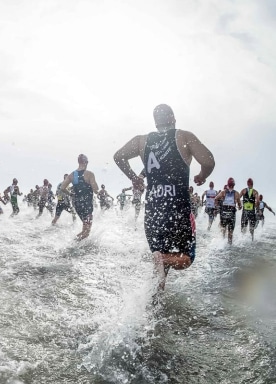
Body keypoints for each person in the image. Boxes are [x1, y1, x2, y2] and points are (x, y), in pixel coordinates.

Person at [113, 104, 215, 290]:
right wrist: (202, 176)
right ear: (173, 118)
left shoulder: (141, 141)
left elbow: (119, 156)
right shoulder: (183, 136)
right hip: (178, 208)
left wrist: (135, 178)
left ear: (155, 122)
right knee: (186, 258)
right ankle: (162, 260)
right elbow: (208, 161)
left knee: (160, 263)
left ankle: (156, 299)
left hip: (153, 211)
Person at [63, 154, 99, 240]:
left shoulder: (72, 175)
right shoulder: (89, 174)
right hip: (87, 205)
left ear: (78, 162)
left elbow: (63, 188)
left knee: (85, 229)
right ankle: (72, 244)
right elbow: (95, 189)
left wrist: (71, 194)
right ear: (86, 162)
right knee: (86, 232)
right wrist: (98, 191)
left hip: (77, 204)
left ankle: (78, 245)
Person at [214, 179, 241, 244]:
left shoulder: (223, 192)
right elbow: (240, 205)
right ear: (234, 185)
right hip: (232, 214)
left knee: (223, 229)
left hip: (224, 213)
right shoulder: (236, 193)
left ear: (228, 185)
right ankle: (229, 245)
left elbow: (215, 199)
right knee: (230, 232)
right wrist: (239, 207)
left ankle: (222, 242)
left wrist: (217, 207)